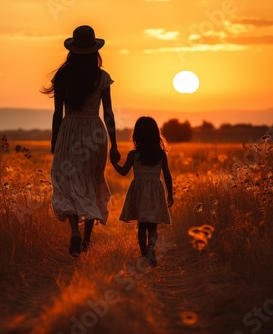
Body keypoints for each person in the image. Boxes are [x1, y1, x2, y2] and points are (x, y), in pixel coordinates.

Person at [41, 25, 121, 257]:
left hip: (69, 130)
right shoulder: (102, 77)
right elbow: (108, 113)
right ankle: (86, 239)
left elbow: (57, 114)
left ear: (73, 51)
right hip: (94, 132)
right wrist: (114, 144)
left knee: (66, 179)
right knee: (90, 180)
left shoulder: (63, 76)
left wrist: (55, 140)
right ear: (95, 51)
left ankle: (74, 231)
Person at [111, 117, 174, 266]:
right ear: (155, 134)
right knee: (153, 226)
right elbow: (167, 176)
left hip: (139, 193)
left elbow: (123, 171)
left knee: (142, 226)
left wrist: (113, 162)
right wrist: (170, 193)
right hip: (155, 193)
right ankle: (151, 248)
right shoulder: (160, 155)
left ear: (136, 135)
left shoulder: (134, 154)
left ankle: (144, 255)